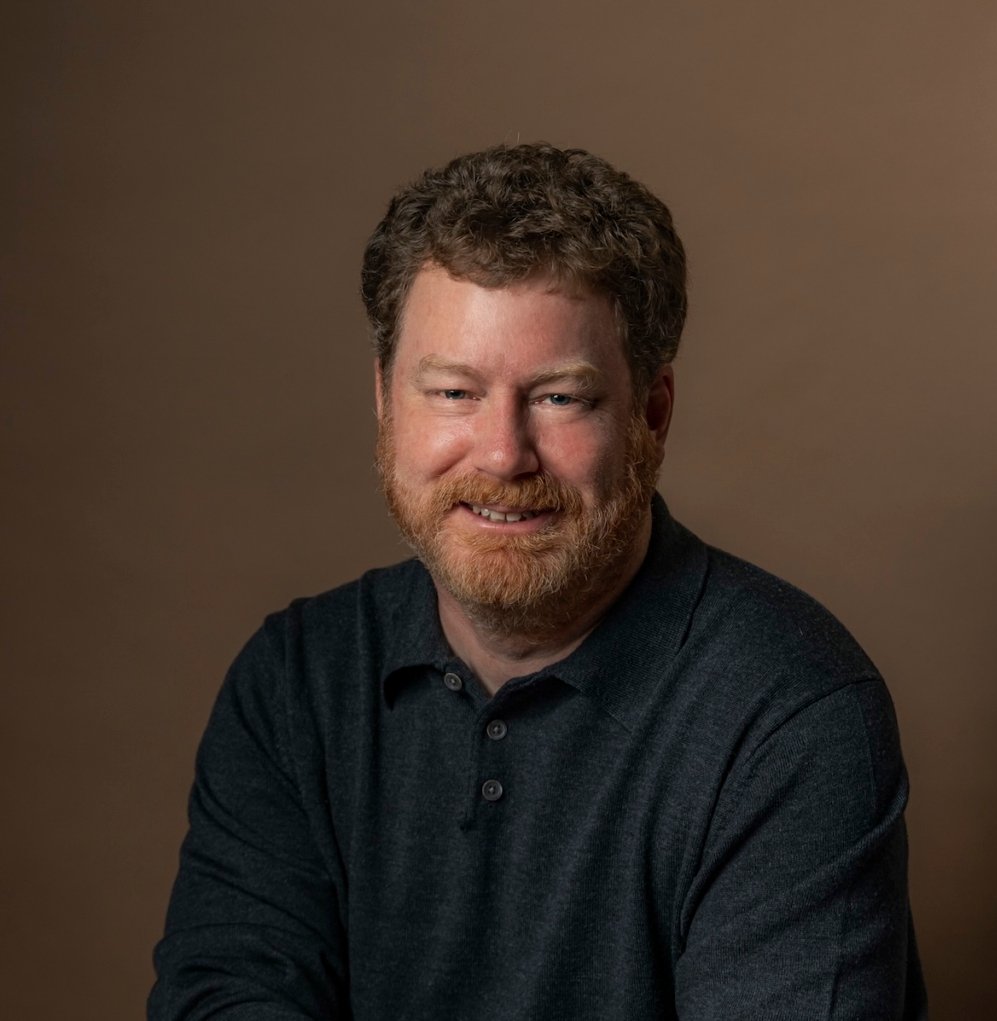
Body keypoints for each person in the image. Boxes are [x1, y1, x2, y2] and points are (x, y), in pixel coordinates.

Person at [149, 143, 927, 1019]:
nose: (502, 454)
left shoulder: (791, 711)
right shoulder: (293, 684)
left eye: (560, 397)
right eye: (452, 392)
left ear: (652, 415)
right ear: (383, 400)